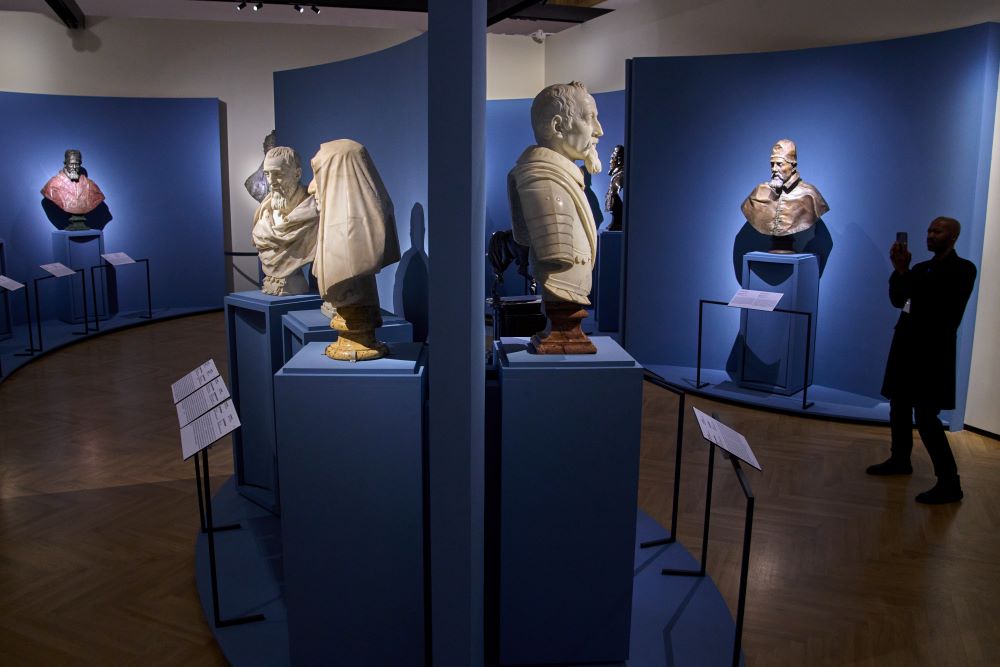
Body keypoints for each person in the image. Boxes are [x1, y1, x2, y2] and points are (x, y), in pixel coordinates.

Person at [866, 216, 977, 504]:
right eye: (928, 230)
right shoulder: (919, 268)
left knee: (927, 417)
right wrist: (900, 271)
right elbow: (899, 300)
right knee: (899, 406)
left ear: (953, 237)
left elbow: (936, 304)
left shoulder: (963, 269)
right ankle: (900, 459)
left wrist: (907, 280)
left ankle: (950, 481)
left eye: (937, 231)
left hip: (933, 352)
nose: (930, 235)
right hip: (907, 346)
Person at [507, 81, 603, 353]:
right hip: (563, 284)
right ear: (558, 127)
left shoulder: (563, 178)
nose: (599, 130)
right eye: (590, 118)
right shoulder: (544, 181)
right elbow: (557, 257)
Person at [250, 146, 319, 296]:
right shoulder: (263, 213)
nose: (271, 181)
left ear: (297, 174)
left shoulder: (315, 214)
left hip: (297, 287)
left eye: (278, 174)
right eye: (267, 174)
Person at [741, 139, 828, 251]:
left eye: (779, 164)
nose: (774, 169)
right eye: (772, 164)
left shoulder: (810, 195)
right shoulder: (759, 192)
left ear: (793, 166)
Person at [41, 149, 105, 219]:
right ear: (65, 163)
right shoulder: (52, 184)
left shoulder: (90, 184)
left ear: (80, 164)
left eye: (77, 164)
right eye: (71, 164)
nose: (74, 167)